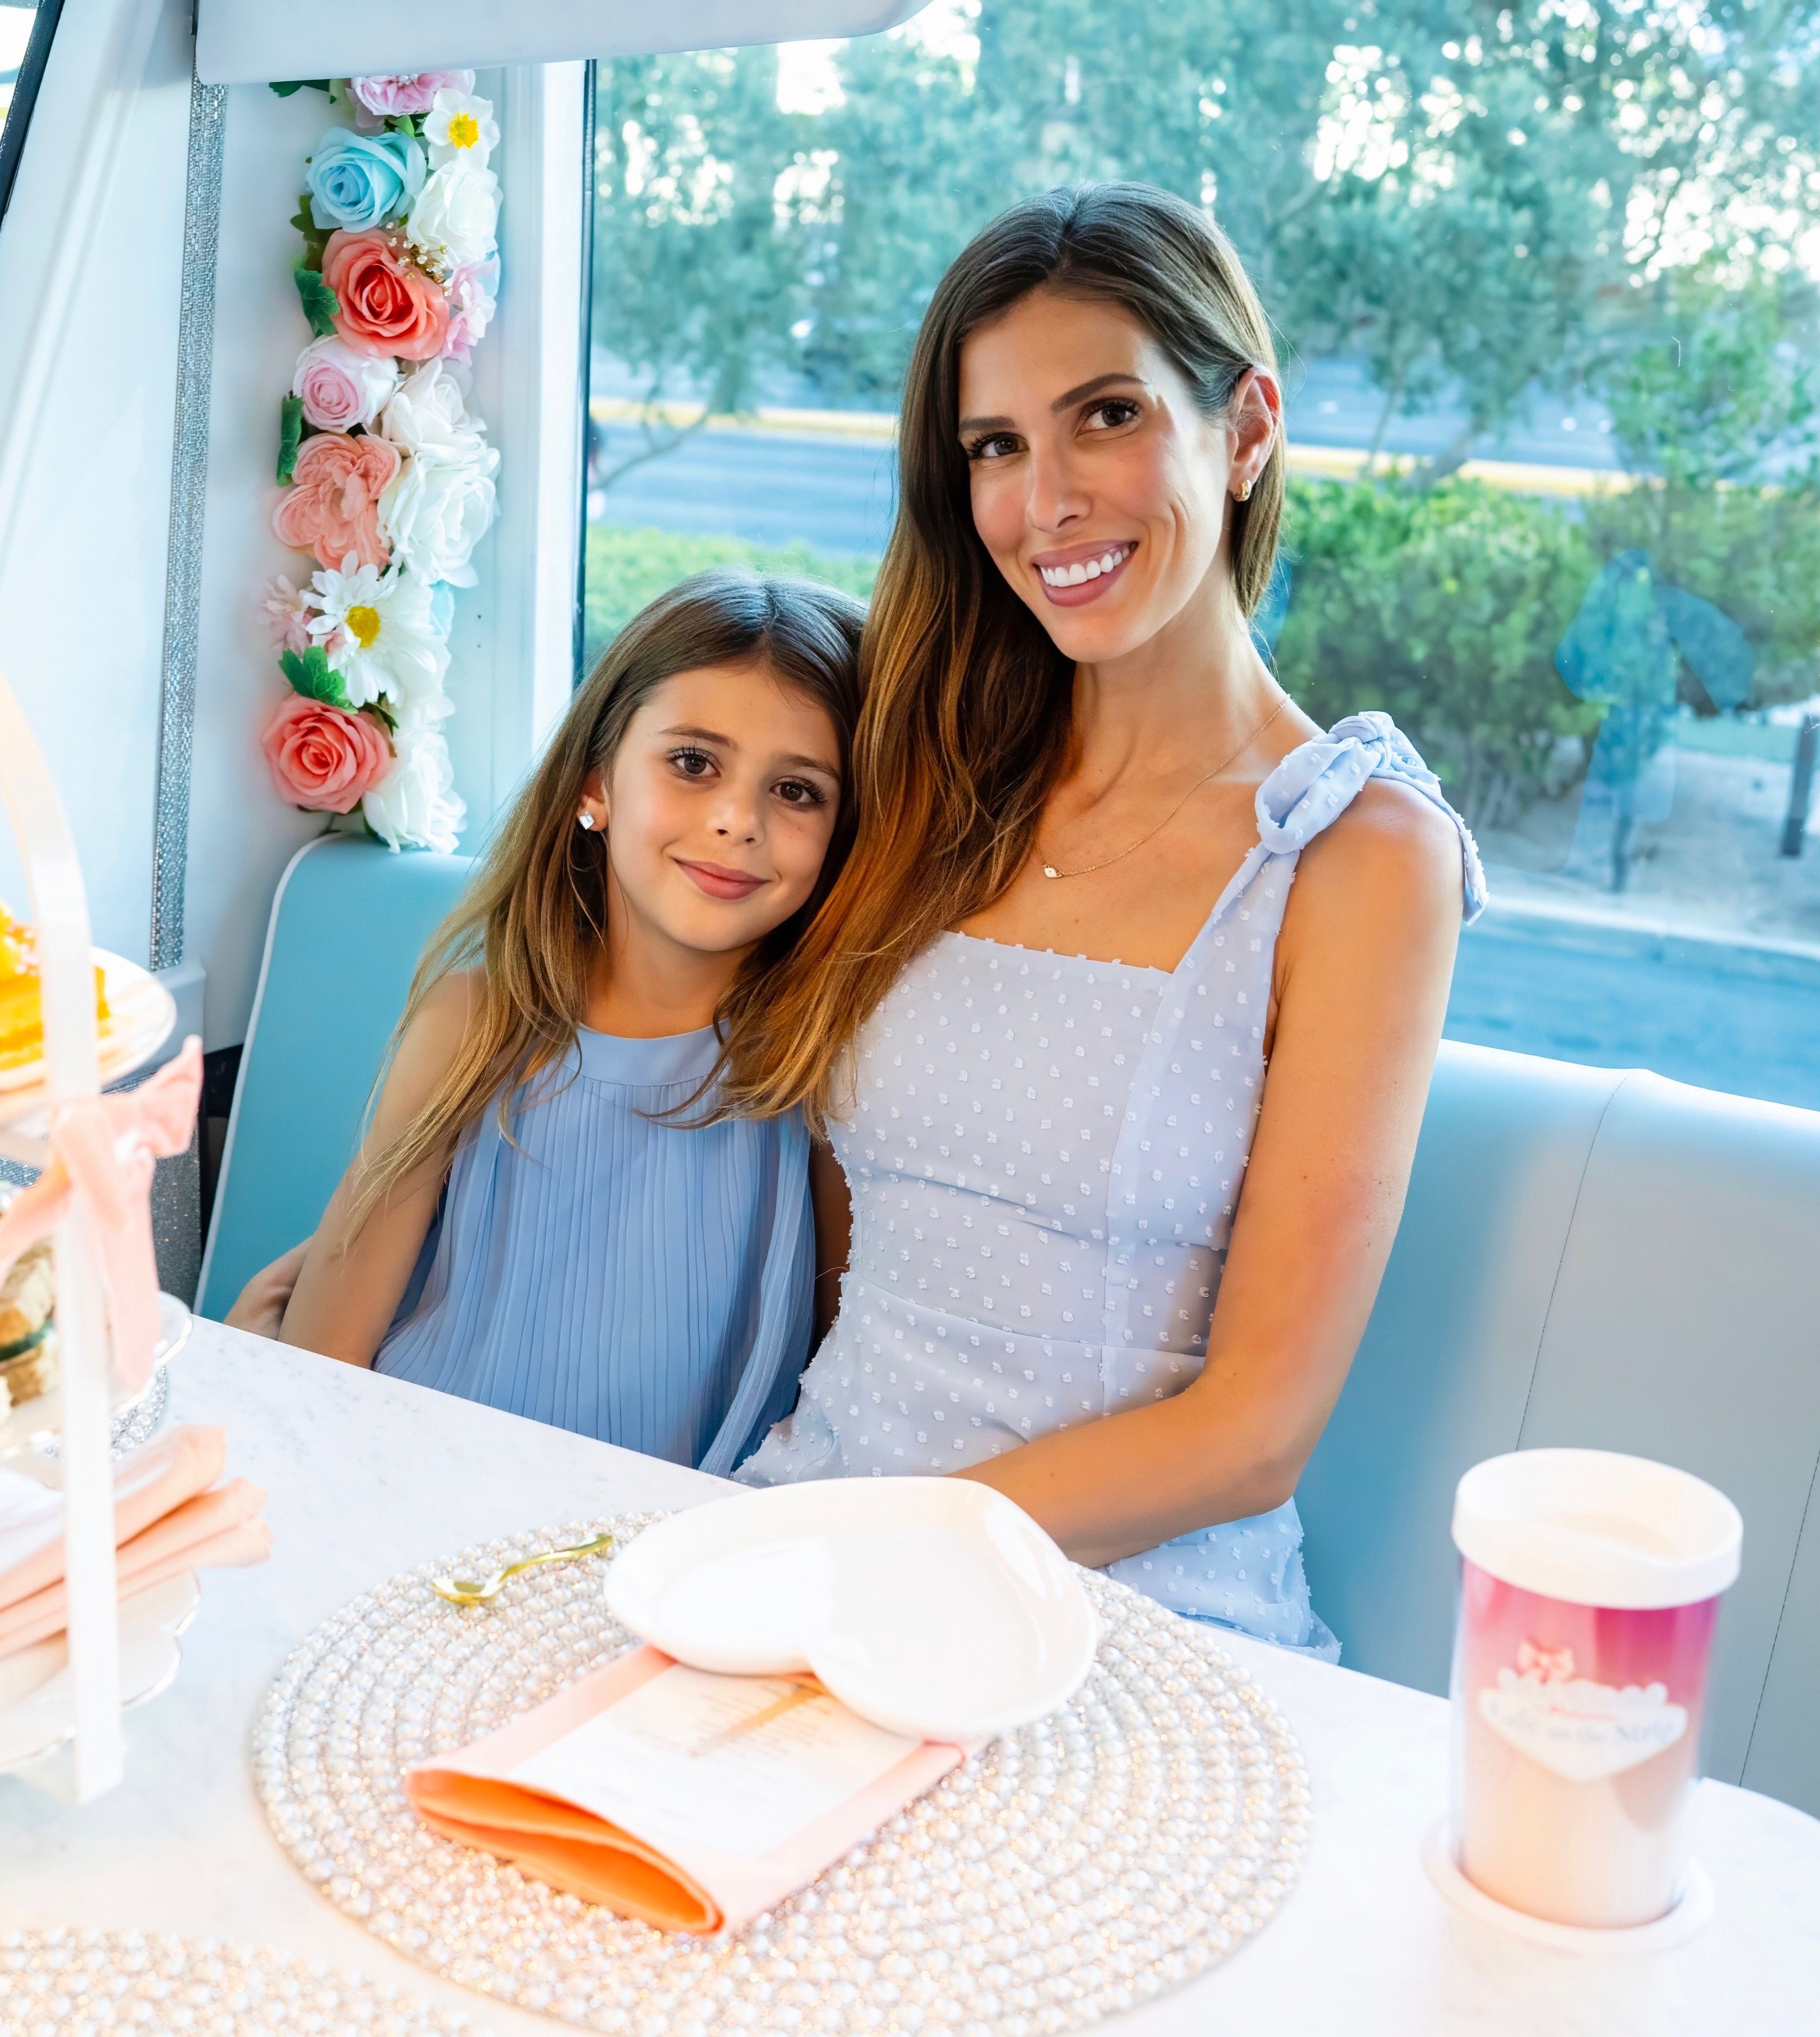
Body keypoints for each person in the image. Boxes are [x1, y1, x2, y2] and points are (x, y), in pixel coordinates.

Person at [730, 184, 1486, 1657]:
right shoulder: (930, 780)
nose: (1046, 499)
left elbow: (1253, 1432)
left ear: (1247, 430)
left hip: (1125, 1624)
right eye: (996, 446)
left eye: (1108, 418)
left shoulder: (1355, 853)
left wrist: (875, 1554)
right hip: (807, 1539)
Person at [227, 570, 864, 1474]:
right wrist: (267, 1372)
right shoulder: (474, 1021)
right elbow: (325, 1360)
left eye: (798, 791)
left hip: (672, 1558)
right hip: (424, 1500)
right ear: (596, 784)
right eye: (693, 763)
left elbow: (847, 1377)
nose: (737, 820)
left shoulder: (823, 1073)